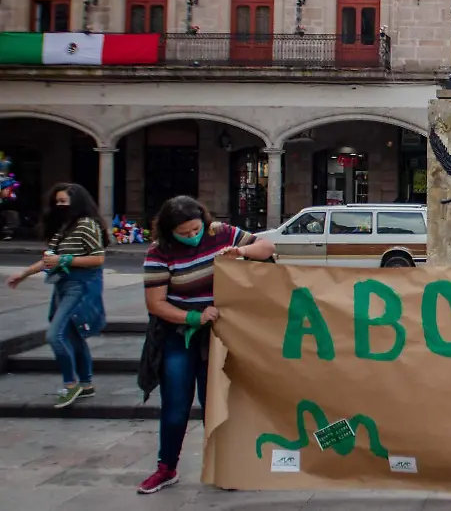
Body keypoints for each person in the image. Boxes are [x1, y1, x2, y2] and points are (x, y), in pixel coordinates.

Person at [136, 196, 276, 494]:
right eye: (183, 233)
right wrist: (193, 316)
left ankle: (226, 468)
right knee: (175, 405)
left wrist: (241, 250)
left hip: (220, 336)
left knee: (218, 403)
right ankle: (166, 467)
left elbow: (267, 248)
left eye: (195, 229)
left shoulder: (220, 233)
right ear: (169, 231)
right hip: (180, 336)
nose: (192, 236)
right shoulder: (159, 254)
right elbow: (156, 304)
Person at [6, 183, 108, 407]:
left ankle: (70, 384)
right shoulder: (63, 228)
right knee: (72, 334)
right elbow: (48, 259)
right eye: (57, 202)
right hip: (62, 285)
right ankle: (86, 383)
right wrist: (24, 273)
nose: (60, 206)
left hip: (79, 287)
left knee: (55, 335)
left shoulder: (86, 225)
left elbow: (98, 258)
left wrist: (65, 260)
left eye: (64, 202)